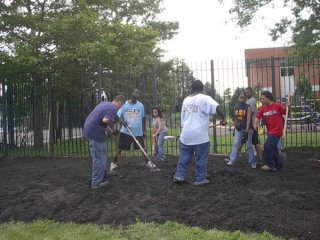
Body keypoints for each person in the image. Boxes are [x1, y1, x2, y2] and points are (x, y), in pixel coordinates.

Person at [173, 80, 227, 186]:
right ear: (202, 88)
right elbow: (217, 107)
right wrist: (224, 118)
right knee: (201, 158)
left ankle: (179, 176)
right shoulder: (204, 98)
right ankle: (200, 179)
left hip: (186, 135)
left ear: (192, 88)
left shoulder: (186, 100)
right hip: (200, 136)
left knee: (184, 157)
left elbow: (183, 120)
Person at [83, 95, 125, 189]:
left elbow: (103, 123)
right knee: (98, 157)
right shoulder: (113, 108)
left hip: (92, 130)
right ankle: (96, 182)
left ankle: (104, 173)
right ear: (119, 103)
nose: (120, 108)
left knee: (103, 153)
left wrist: (113, 131)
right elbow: (105, 120)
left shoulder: (105, 104)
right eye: (121, 106)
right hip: (95, 134)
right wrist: (112, 120)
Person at [110, 87, 155, 172]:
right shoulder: (124, 105)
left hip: (138, 132)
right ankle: (114, 163)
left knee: (142, 148)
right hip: (126, 131)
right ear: (132, 94)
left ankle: (148, 162)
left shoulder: (141, 105)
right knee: (120, 148)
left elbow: (143, 118)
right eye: (136, 93)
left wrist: (144, 130)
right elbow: (118, 115)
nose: (138, 95)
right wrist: (122, 122)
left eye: (138, 93)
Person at [254, 91, 290, 171]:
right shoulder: (263, 108)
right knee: (273, 148)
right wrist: (255, 123)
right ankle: (279, 166)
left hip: (277, 131)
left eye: (263, 98)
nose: (262, 100)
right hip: (270, 132)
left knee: (267, 146)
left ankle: (270, 164)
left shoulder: (277, 106)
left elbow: (286, 112)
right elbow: (257, 116)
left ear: (268, 98)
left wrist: (288, 107)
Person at [225, 93, 256, 168]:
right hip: (238, 128)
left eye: (243, 98)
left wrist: (247, 130)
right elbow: (235, 118)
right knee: (235, 144)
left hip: (247, 128)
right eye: (240, 98)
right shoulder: (236, 106)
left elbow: (249, 120)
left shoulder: (248, 107)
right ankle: (232, 160)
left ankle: (252, 162)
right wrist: (235, 126)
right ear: (238, 98)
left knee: (249, 145)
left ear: (245, 99)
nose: (241, 99)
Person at [245, 87, 263, 162]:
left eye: (248, 92)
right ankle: (260, 158)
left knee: (255, 142)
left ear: (251, 93)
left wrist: (249, 125)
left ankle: (260, 158)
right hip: (252, 124)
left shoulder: (251, 100)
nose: (247, 94)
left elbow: (250, 112)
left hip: (251, 125)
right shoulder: (250, 100)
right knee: (255, 142)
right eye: (246, 92)